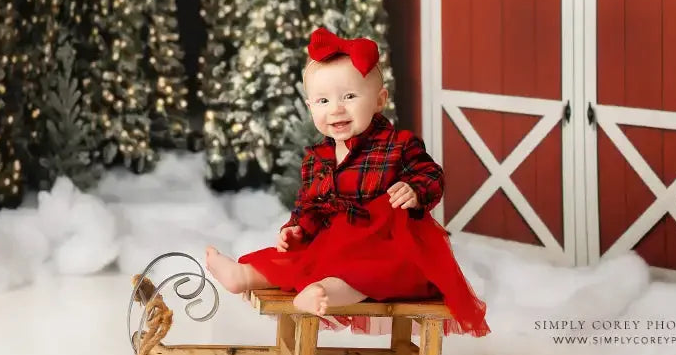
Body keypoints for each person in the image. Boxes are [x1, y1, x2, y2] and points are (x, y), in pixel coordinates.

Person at [204, 27, 490, 336]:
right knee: (297, 260)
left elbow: (430, 174)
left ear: (379, 100)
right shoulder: (318, 157)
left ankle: (321, 293)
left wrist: (415, 190)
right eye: (323, 100)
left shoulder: (398, 145)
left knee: (361, 273)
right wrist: (296, 228)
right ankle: (244, 275)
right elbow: (309, 205)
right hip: (335, 240)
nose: (336, 108)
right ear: (311, 106)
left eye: (349, 96)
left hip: (389, 245)